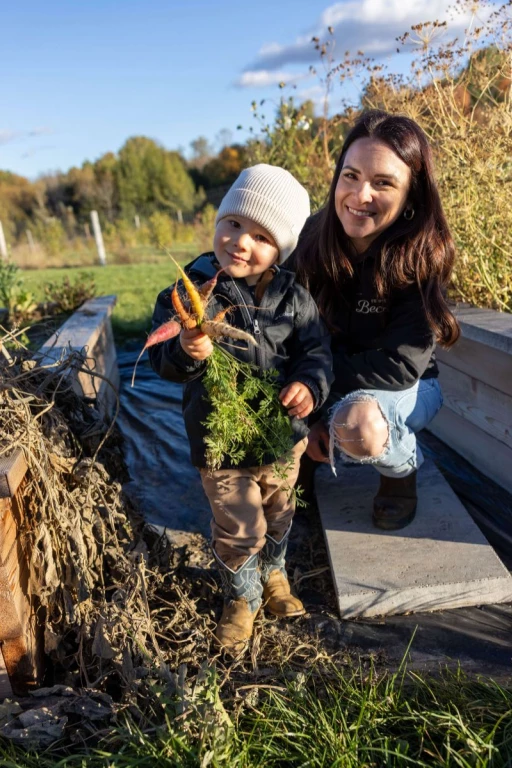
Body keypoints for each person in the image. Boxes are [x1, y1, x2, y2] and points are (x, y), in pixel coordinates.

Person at [149, 164, 333, 653]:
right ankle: (241, 595)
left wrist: (309, 386)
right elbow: (161, 362)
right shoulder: (191, 288)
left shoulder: (294, 298)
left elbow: (317, 353)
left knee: (279, 509)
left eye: (260, 235)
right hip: (220, 439)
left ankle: (274, 574)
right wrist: (186, 350)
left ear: (281, 249)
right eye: (233, 224)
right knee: (238, 525)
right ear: (217, 222)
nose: (240, 241)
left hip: (281, 436)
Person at [291, 109, 460, 530]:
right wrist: (302, 415)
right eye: (350, 176)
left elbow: (399, 365)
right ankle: (306, 458)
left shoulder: (420, 254)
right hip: (330, 377)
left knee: (358, 425)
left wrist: (317, 397)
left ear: (411, 197)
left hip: (409, 385)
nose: (359, 194)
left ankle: (400, 474)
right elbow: (285, 326)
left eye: (383, 183)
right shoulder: (314, 237)